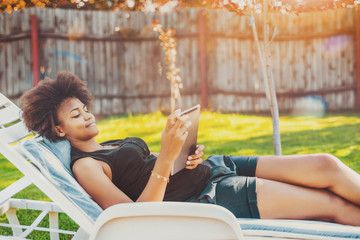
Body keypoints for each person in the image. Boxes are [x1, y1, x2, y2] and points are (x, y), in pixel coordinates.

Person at [20, 71, 360, 226]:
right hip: (209, 196)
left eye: (85, 107)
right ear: (58, 128)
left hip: (214, 167)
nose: (87, 114)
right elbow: (134, 220)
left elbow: (157, 168)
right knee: (331, 206)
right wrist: (167, 157)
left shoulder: (107, 144)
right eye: (75, 115)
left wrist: (185, 155)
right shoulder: (85, 167)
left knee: (326, 165)